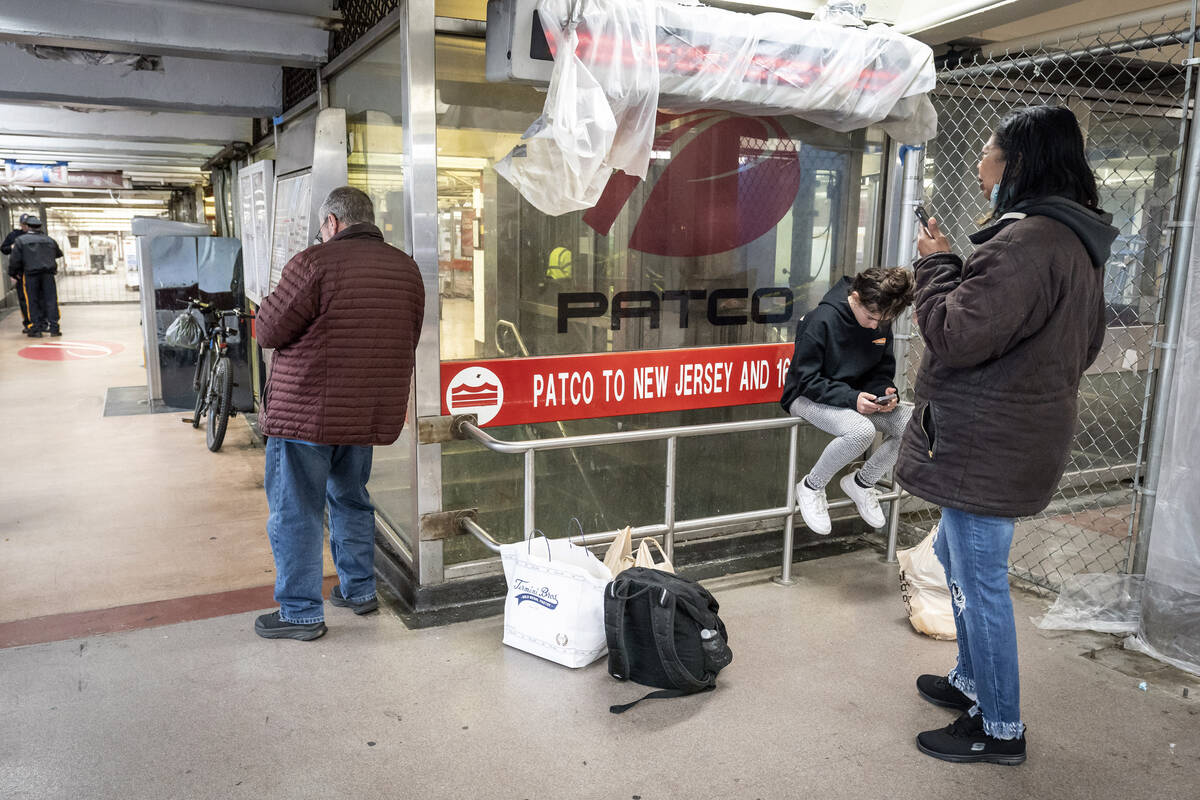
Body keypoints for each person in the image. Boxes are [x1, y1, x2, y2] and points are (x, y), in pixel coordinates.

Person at [897, 106, 1116, 765]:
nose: (980, 165)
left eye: (989, 153)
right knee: (964, 571)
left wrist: (935, 266)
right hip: (1003, 439)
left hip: (984, 446)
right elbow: (1085, 341)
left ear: (1017, 165)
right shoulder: (1070, 240)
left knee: (978, 583)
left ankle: (1000, 727)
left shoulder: (1030, 242)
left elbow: (958, 334)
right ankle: (971, 682)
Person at [253, 186, 426, 641]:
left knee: (296, 509)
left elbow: (269, 330)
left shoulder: (313, 263)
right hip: (363, 415)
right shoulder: (406, 269)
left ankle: (300, 612)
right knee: (351, 499)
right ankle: (359, 590)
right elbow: (409, 334)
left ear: (331, 222)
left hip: (306, 413)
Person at [779, 267, 915, 534]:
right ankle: (811, 487)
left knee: (913, 424)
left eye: (883, 320)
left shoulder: (880, 319)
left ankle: (863, 483)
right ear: (855, 297)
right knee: (860, 430)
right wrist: (852, 398)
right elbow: (805, 379)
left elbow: (881, 371)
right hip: (807, 395)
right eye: (872, 317)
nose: (877, 325)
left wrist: (886, 393)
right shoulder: (821, 320)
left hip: (855, 399)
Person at [8, 217, 63, 337]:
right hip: (48, 274)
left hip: (30, 275)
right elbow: (59, 253)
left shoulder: (21, 241)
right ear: (40, 227)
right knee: (51, 300)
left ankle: (36, 329)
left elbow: (15, 260)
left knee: (32, 301)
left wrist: (13, 273)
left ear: (28, 227)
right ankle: (54, 328)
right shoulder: (49, 240)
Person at [1, 214, 34, 334]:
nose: (25, 227)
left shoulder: (36, 235)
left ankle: (40, 321)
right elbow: (4, 249)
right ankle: (28, 323)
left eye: (27, 224)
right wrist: (12, 246)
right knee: (24, 299)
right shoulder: (14, 235)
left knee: (37, 298)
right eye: (23, 225)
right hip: (21, 272)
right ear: (20, 224)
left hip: (34, 271)